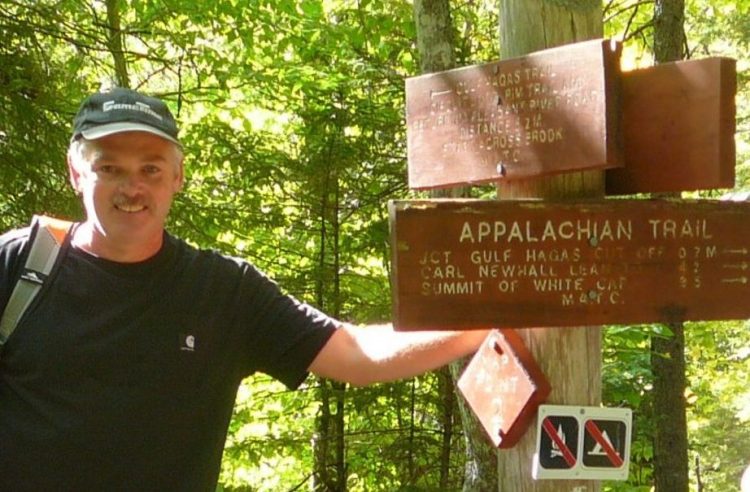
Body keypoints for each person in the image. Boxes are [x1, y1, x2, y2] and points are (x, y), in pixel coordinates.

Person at [0, 87, 488, 490]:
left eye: (150, 168)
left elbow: (356, 354)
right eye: (109, 168)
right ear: (75, 171)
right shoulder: (16, 266)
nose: (132, 187)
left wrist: (492, 320)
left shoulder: (221, 291)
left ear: (178, 176)